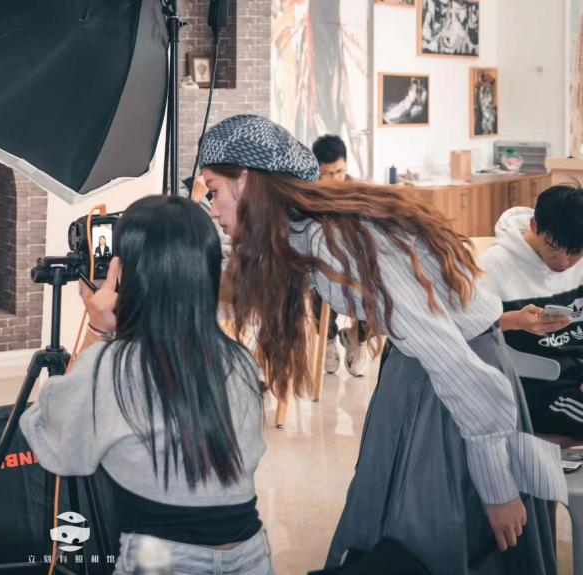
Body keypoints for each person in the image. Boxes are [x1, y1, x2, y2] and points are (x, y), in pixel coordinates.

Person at [197, 114, 565, 574]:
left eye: (213, 191)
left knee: (426, 546)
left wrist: (497, 486)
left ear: (246, 180)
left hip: (455, 391)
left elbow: (454, 363)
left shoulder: (333, 240)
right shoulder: (310, 231)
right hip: (422, 377)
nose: (213, 208)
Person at [20, 195, 272, 575]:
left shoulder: (113, 366)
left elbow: (56, 443)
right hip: (252, 554)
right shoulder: (239, 361)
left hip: (163, 558)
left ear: (123, 273)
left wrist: (97, 331)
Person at [478, 185, 583, 440]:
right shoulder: (492, 266)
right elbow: (462, 331)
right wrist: (512, 320)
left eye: (576, 253)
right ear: (535, 226)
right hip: (536, 388)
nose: (564, 262)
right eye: (554, 247)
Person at [310, 135, 368, 376]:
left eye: (340, 171)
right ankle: (329, 339)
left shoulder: (360, 194)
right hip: (323, 264)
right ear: (316, 170)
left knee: (377, 286)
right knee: (315, 283)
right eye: (327, 173)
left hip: (356, 265)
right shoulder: (308, 197)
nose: (335, 179)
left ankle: (357, 338)